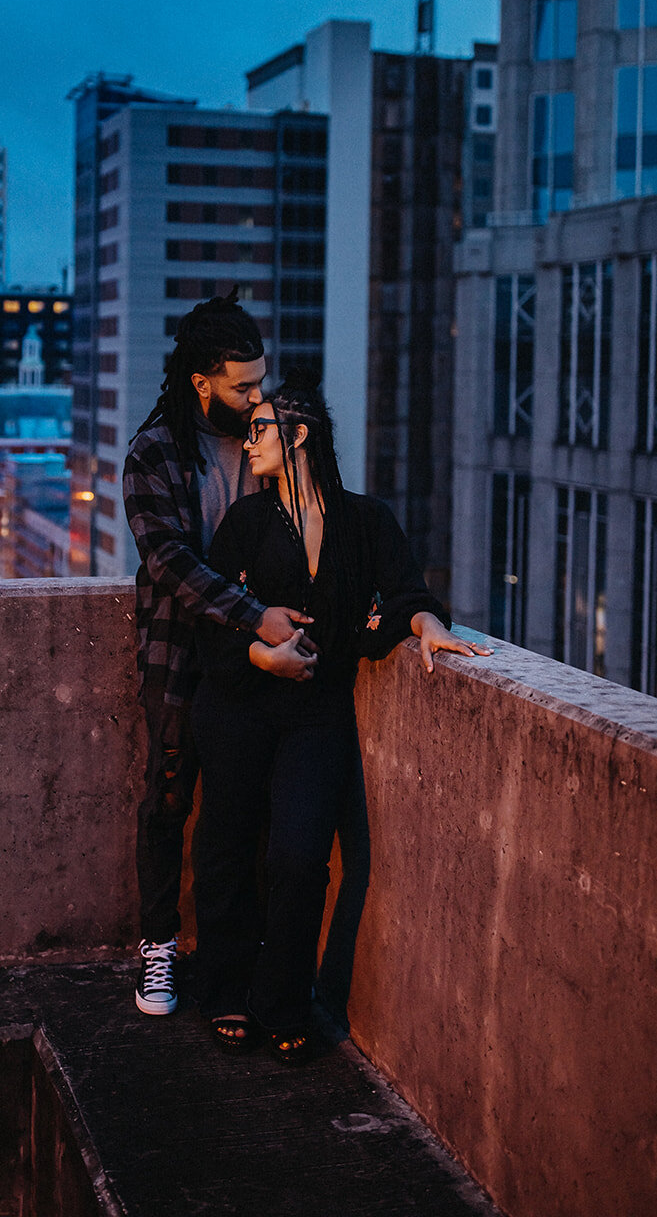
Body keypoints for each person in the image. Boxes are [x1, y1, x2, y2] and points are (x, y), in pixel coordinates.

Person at [192, 379, 493, 1063]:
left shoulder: (367, 521)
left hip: (315, 717)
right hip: (238, 706)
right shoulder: (242, 522)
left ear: (297, 437)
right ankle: (225, 988)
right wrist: (260, 657)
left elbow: (406, 591)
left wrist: (426, 626)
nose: (249, 442)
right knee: (228, 848)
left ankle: (282, 1000)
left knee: (301, 857)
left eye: (260, 430)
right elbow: (207, 618)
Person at [121, 293, 315, 1018]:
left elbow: (311, 528)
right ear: (201, 382)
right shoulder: (154, 453)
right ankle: (158, 951)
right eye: (241, 385)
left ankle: (240, 963)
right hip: (182, 657)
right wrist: (254, 619)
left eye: (260, 381)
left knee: (244, 812)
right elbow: (169, 563)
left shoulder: (270, 442)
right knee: (169, 800)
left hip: (256, 662)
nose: (255, 396)